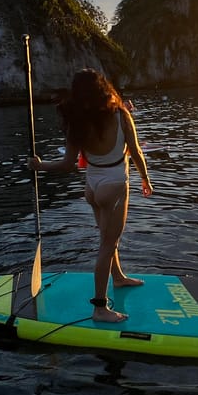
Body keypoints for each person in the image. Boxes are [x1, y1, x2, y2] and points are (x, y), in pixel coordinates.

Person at [28, 69, 153, 323]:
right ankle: (99, 307)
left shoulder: (77, 121)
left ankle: (117, 277)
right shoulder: (120, 115)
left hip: (93, 188)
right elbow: (137, 152)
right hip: (115, 185)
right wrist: (145, 178)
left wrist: (40, 166)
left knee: (107, 238)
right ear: (103, 88)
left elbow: (66, 164)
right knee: (108, 245)